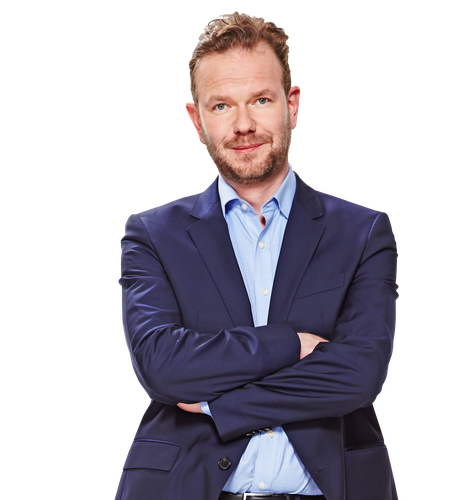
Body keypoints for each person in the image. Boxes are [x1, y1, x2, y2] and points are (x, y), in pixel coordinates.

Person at [116, 11, 399, 500]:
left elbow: (359, 374)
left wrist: (221, 406)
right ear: (197, 120)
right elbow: (163, 366)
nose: (243, 125)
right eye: (222, 105)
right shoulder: (152, 235)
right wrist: (291, 344)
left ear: (293, 104)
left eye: (261, 100)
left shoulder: (362, 231)